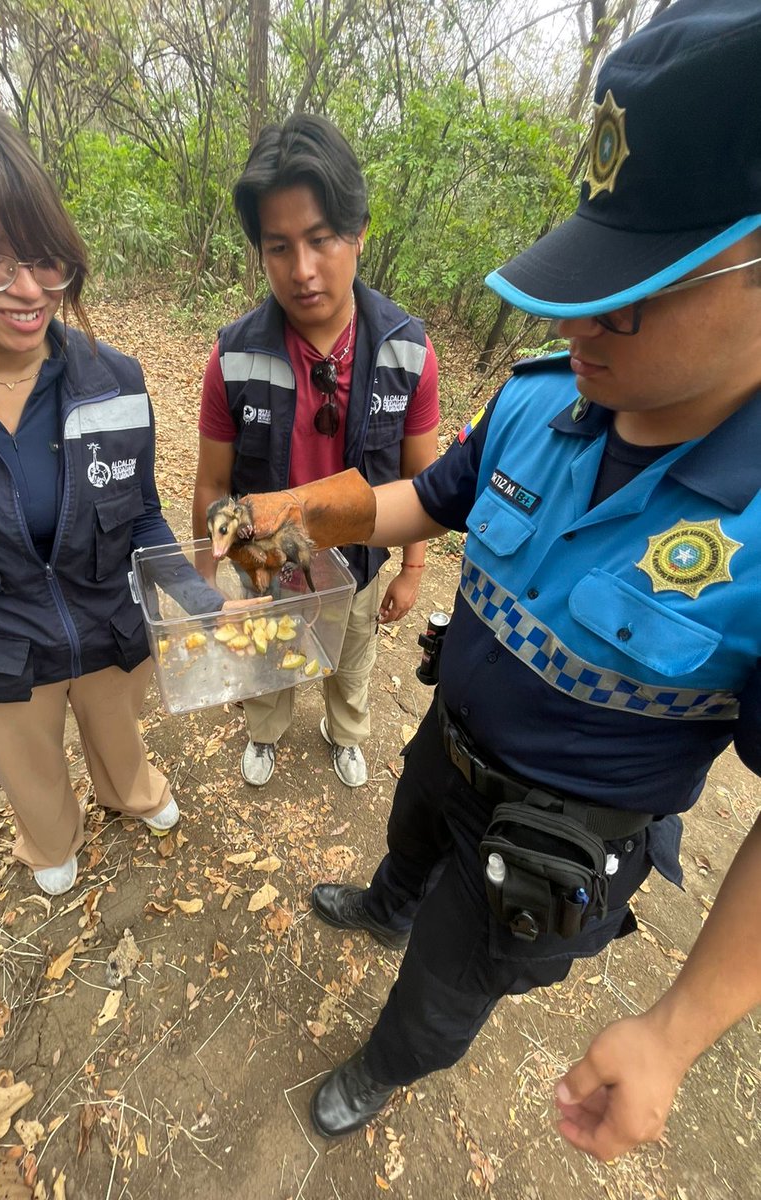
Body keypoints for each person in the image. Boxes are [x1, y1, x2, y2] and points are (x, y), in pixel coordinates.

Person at [226, 0, 761, 1160]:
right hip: (448, 745)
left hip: (554, 834)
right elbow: (430, 497)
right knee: (406, 852)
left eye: (636, 291)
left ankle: (382, 1067)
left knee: (446, 988)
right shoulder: (539, 403)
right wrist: (309, 508)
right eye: (583, 279)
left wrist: (675, 1030)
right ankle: (386, 900)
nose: (585, 322)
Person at [0, 78, 228, 896]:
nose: (30, 290)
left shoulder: (116, 382)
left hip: (106, 632)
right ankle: (48, 838)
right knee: (28, 772)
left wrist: (200, 600)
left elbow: (139, 514)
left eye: (45, 258)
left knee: (120, 733)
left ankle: (131, 792)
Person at [191, 115, 440, 789]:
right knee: (267, 661)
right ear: (261, 252)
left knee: (352, 656)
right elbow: (212, 482)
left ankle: (345, 732)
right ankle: (266, 733)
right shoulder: (235, 357)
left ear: (359, 233)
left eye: (321, 239)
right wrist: (215, 582)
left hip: (357, 560)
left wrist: (412, 568)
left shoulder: (406, 353)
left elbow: (425, 480)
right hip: (265, 560)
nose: (301, 270)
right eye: (279, 247)